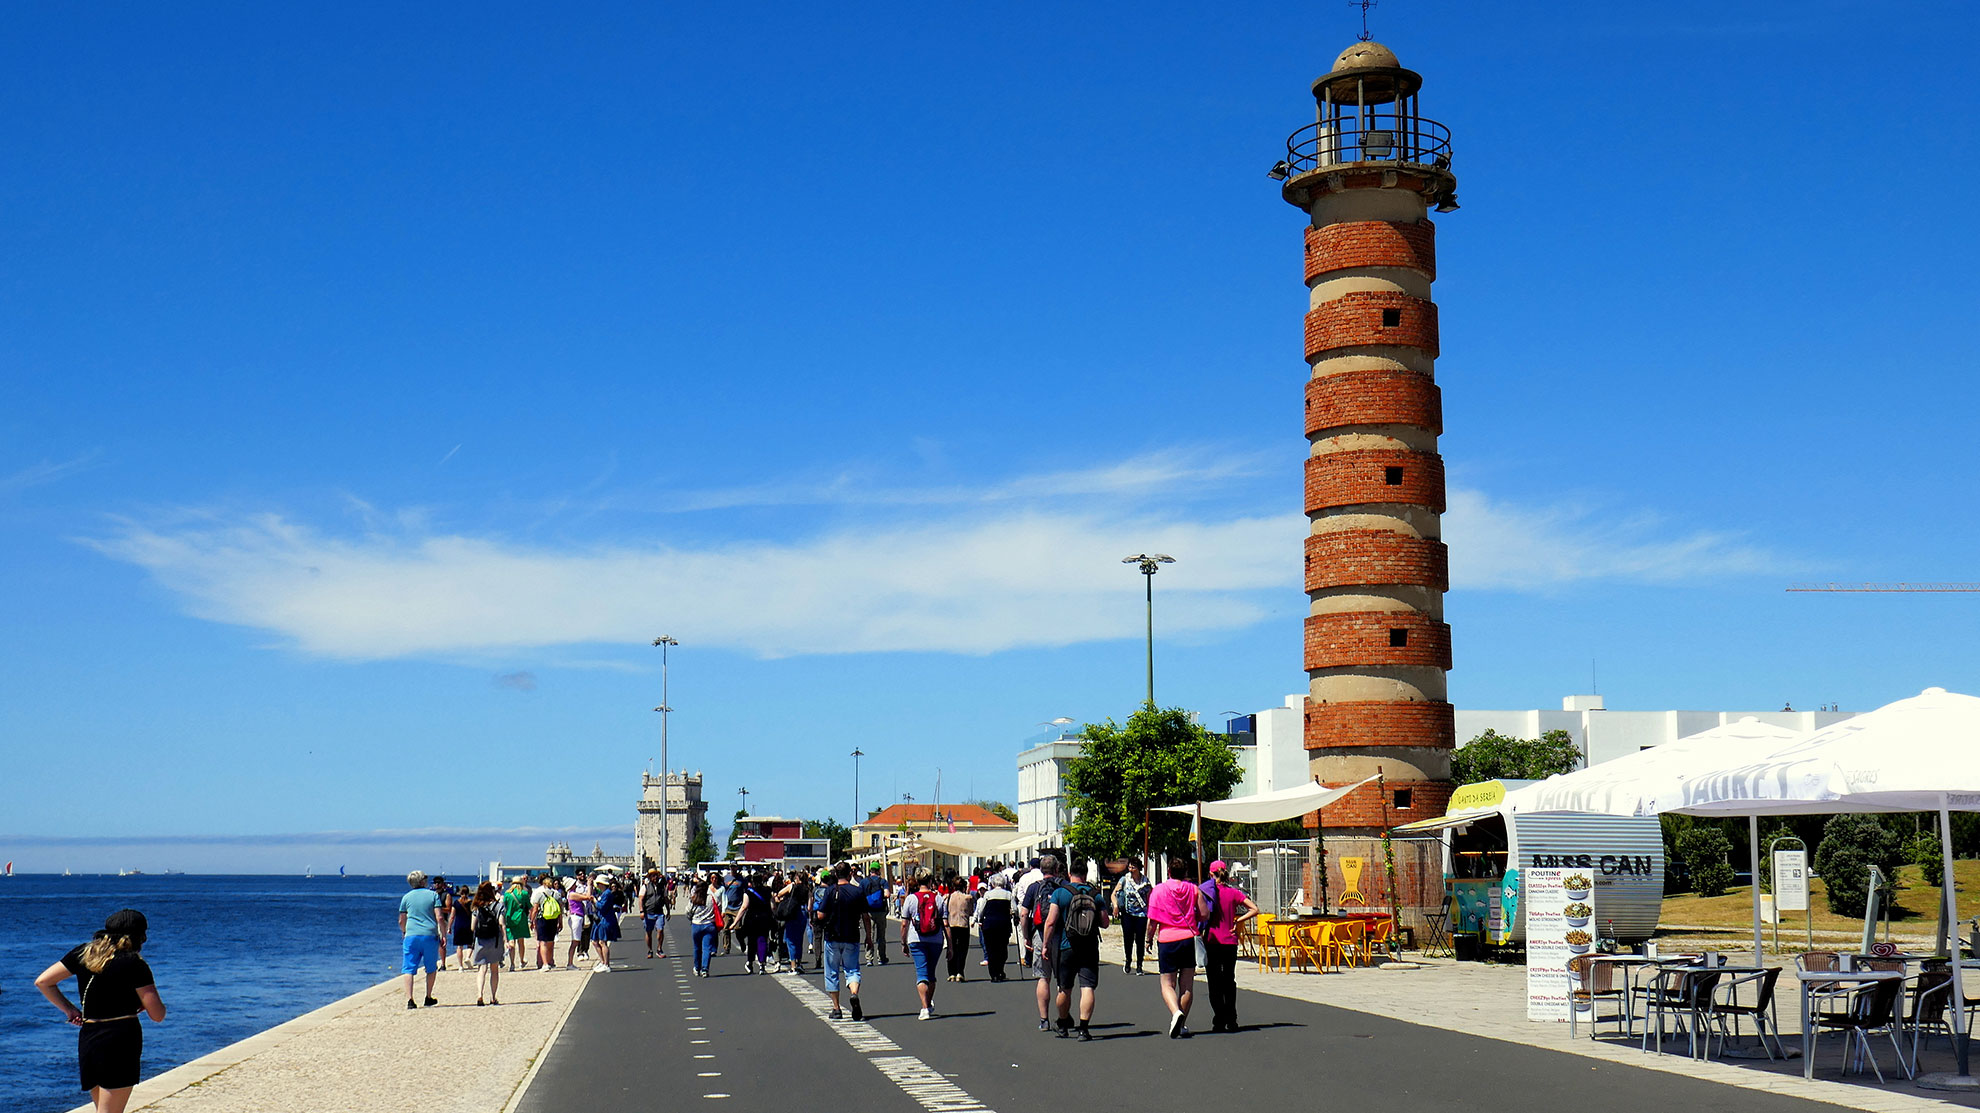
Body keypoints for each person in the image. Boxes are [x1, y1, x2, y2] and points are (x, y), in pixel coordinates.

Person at [36, 909, 166, 1113]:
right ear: (138, 936)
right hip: (120, 1038)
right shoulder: (133, 963)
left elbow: (43, 981)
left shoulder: (83, 953)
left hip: (89, 1038)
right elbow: (157, 1015)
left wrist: (70, 1010)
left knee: (102, 1109)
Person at [1145, 855, 1210, 1038]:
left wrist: (1148, 939)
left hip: (1167, 939)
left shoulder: (1159, 890)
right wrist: (1192, 919)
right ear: (1185, 873)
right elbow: (1204, 914)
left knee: (1167, 983)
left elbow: (1153, 921)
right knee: (1187, 984)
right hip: (1187, 938)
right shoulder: (1193, 889)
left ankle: (1175, 1013)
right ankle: (1182, 1024)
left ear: (1169, 872)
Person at [1044, 860, 1110, 1040]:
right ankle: (1083, 1029)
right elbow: (1105, 922)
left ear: (1069, 874)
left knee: (1064, 988)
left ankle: (1063, 1023)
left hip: (1067, 946)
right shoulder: (1095, 895)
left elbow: (1050, 922)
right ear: (1086, 874)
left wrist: (1045, 945)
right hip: (1089, 947)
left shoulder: (1060, 893)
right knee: (1087, 988)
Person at [1199, 860, 1259, 1033]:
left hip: (1212, 940)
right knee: (1229, 980)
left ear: (1211, 874)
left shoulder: (1207, 893)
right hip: (1230, 941)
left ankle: (1219, 1019)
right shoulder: (1233, 893)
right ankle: (1232, 1018)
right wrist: (1238, 920)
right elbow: (1254, 909)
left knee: (1214, 982)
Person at [816, 862, 867, 1020]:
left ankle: (836, 1007)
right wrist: (869, 937)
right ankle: (853, 993)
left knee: (832, 972)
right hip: (852, 936)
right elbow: (865, 915)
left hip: (833, 936)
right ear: (850, 874)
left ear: (835, 875)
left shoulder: (831, 891)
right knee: (852, 970)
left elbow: (820, 915)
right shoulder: (857, 891)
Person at [1021, 854, 1066, 1032]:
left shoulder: (1034, 888)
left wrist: (1026, 936)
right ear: (1056, 869)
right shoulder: (1063, 886)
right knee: (1061, 980)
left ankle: (1044, 1019)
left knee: (1043, 977)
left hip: (1040, 934)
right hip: (1060, 934)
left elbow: (1024, 914)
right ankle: (1063, 1017)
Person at [899, 874, 945, 1020]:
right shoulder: (938, 898)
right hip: (936, 939)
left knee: (921, 974)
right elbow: (945, 923)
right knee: (931, 974)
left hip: (916, 939)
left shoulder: (911, 899)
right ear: (931, 881)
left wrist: (903, 942)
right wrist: (949, 945)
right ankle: (928, 1004)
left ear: (917, 882)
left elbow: (904, 923)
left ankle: (924, 1008)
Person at [398, 869, 443, 1008]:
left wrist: (404, 931)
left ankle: (410, 999)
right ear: (422, 881)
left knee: (408, 968)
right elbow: (439, 917)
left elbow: (401, 919)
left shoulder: (406, 897)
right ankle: (428, 996)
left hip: (411, 935)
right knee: (431, 967)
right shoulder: (433, 895)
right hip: (429, 934)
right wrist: (443, 933)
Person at [971, 871, 1015, 981]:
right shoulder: (1008, 894)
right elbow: (1014, 909)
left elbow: (982, 910)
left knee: (991, 949)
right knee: (1002, 948)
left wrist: (980, 919)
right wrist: (1015, 916)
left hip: (989, 925)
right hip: (1004, 925)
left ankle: (994, 973)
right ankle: (1000, 970)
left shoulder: (988, 895)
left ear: (993, 884)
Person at [468, 881, 505, 1006]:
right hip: (494, 940)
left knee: (482, 969)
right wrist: (506, 939)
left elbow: (472, 927)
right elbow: (501, 923)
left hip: (481, 940)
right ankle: (493, 997)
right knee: (494, 970)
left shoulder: (476, 907)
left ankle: (480, 995)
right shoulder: (498, 906)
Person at [1115, 858, 1152, 974]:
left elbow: (1150, 897)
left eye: (1133, 867)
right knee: (1128, 939)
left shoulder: (1145, 881)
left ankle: (1140, 965)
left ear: (1138, 868)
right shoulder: (1124, 880)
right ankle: (1128, 960)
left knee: (1140, 940)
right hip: (1127, 914)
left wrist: (1151, 912)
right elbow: (1114, 894)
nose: (1131, 869)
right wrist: (1116, 906)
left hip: (1141, 914)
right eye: (1130, 867)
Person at [776, 869, 813, 974]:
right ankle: (799, 963)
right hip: (802, 913)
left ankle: (793, 966)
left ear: (797, 878)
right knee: (799, 939)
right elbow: (810, 907)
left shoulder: (792, 886)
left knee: (790, 940)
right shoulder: (807, 889)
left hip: (792, 912)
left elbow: (779, 893)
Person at [943, 870, 973, 982]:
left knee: (951, 948)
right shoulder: (968, 898)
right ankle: (960, 971)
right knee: (962, 949)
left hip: (952, 924)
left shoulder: (948, 897)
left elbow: (945, 911)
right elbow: (970, 912)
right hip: (963, 925)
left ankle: (951, 972)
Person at [531, 874, 565, 971]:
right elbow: (560, 910)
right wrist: (560, 922)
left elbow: (535, 909)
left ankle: (545, 963)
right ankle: (550, 961)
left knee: (543, 942)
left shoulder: (539, 894)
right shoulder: (557, 895)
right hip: (553, 919)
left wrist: (532, 921)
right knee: (551, 942)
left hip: (542, 919)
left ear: (544, 884)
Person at [860, 865, 892, 965]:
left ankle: (869, 958)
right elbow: (887, 894)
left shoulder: (864, 882)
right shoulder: (883, 881)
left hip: (868, 911)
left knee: (869, 934)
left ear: (870, 870)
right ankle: (881, 957)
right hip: (881, 911)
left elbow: (859, 895)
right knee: (881, 935)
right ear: (878, 870)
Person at [687, 878, 719, 977]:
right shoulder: (711, 898)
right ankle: (705, 969)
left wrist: (691, 918)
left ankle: (697, 967)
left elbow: (687, 911)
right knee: (707, 948)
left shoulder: (693, 898)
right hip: (709, 924)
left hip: (696, 924)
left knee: (697, 947)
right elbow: (718, 906)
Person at [590, 877, 621, 972]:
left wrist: (595, 901)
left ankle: (606, 964)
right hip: (601, 919)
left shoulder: (607, 894)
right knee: (595, 941)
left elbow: (601, 906)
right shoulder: (603, 893)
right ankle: (603, 961)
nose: (598, 886)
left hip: (606, 919)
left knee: (603, 942)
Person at [501, 877, 531, 972]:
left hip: (509, 919)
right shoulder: (524, 893)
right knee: (521, 941)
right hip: (521, 919)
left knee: (511, 941)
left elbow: (504, 906)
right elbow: (529, 906)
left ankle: (512, 964)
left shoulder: (507, 894)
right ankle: (521, 961)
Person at [448, 878, 476, 971]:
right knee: (470, 944)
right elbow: (475, 914)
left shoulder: (456, 903)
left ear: (460, 892)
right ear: (468, 893)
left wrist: (449, 927)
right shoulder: (471, 902)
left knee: (459, 946)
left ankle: (460, 966)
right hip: (468, 925)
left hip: (458, 925)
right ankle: (467, 957)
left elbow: (452, 916)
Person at [640, 869, 669, 959]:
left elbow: (665, 898)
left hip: (659, 912)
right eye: (653, 876)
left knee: (660, 930)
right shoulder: (645, 887)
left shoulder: (661, 887)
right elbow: (640, 899)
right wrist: (641, 911)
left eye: (656, 875)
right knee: (649, 932)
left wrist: (668, 910)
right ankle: (650, 950)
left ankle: (659, 949)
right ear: (649, 877)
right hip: (648, 913)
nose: (655, 877)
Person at [720, 871, 745, 956]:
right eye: (731, 867)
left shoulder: (741, 879)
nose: (733, 869)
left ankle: (742, 943)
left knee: (738, 928)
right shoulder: (726, 878)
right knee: (725, 928)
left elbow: (745, 890)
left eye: (734, 867)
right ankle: (726, 947)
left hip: (738, 907)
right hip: (728, 907)